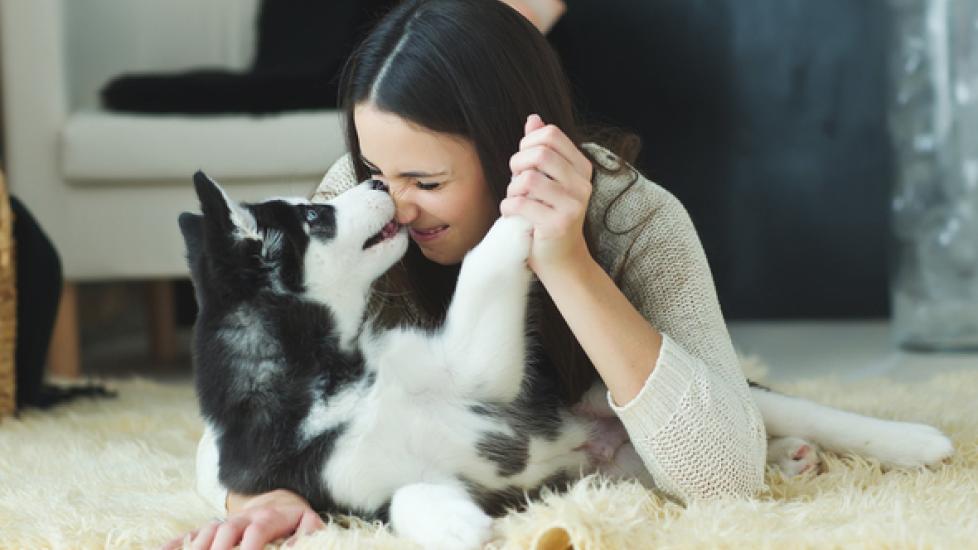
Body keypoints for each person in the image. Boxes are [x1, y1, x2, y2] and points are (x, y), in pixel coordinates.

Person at [170, 0, 766, 548]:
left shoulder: (634, 217)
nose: (394, 206)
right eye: (375, 168)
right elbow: (240, 417)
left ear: (511, 151)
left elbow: (727, 475)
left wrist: (565, 261)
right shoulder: (360, 206)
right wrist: (260, 495)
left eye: (427, 184)